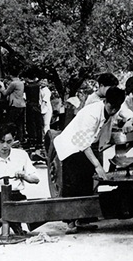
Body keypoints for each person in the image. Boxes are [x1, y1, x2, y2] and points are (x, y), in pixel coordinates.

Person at [53, 86, 125, 234]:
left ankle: (83, 219)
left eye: (116, 108)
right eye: (111, 107)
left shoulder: (113, 110)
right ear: (105, 101)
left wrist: (129, 121)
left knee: (86, 179)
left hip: (82, 145)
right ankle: (70, 223)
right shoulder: (92, 113)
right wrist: (98, 165)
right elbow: (83, 142)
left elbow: (125, 116)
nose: (113, 110)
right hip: (70, 145)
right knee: (73, 182)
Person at [0, 69, 26, 142]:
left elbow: (5, 93)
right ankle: (20, 138)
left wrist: (1, 86)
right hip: (22, 104)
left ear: (11, 75)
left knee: (10, 122)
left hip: (15, 105)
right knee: (20, 123)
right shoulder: (21, 83)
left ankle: (9, 138)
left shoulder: (13, 83)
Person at [24, 75, 42, 147]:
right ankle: (39, 139)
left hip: (30, 105)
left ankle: (32, 138)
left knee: (31, 123)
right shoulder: (37, 86)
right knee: (38, 123)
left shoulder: (27, 87)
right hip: (36, 105)